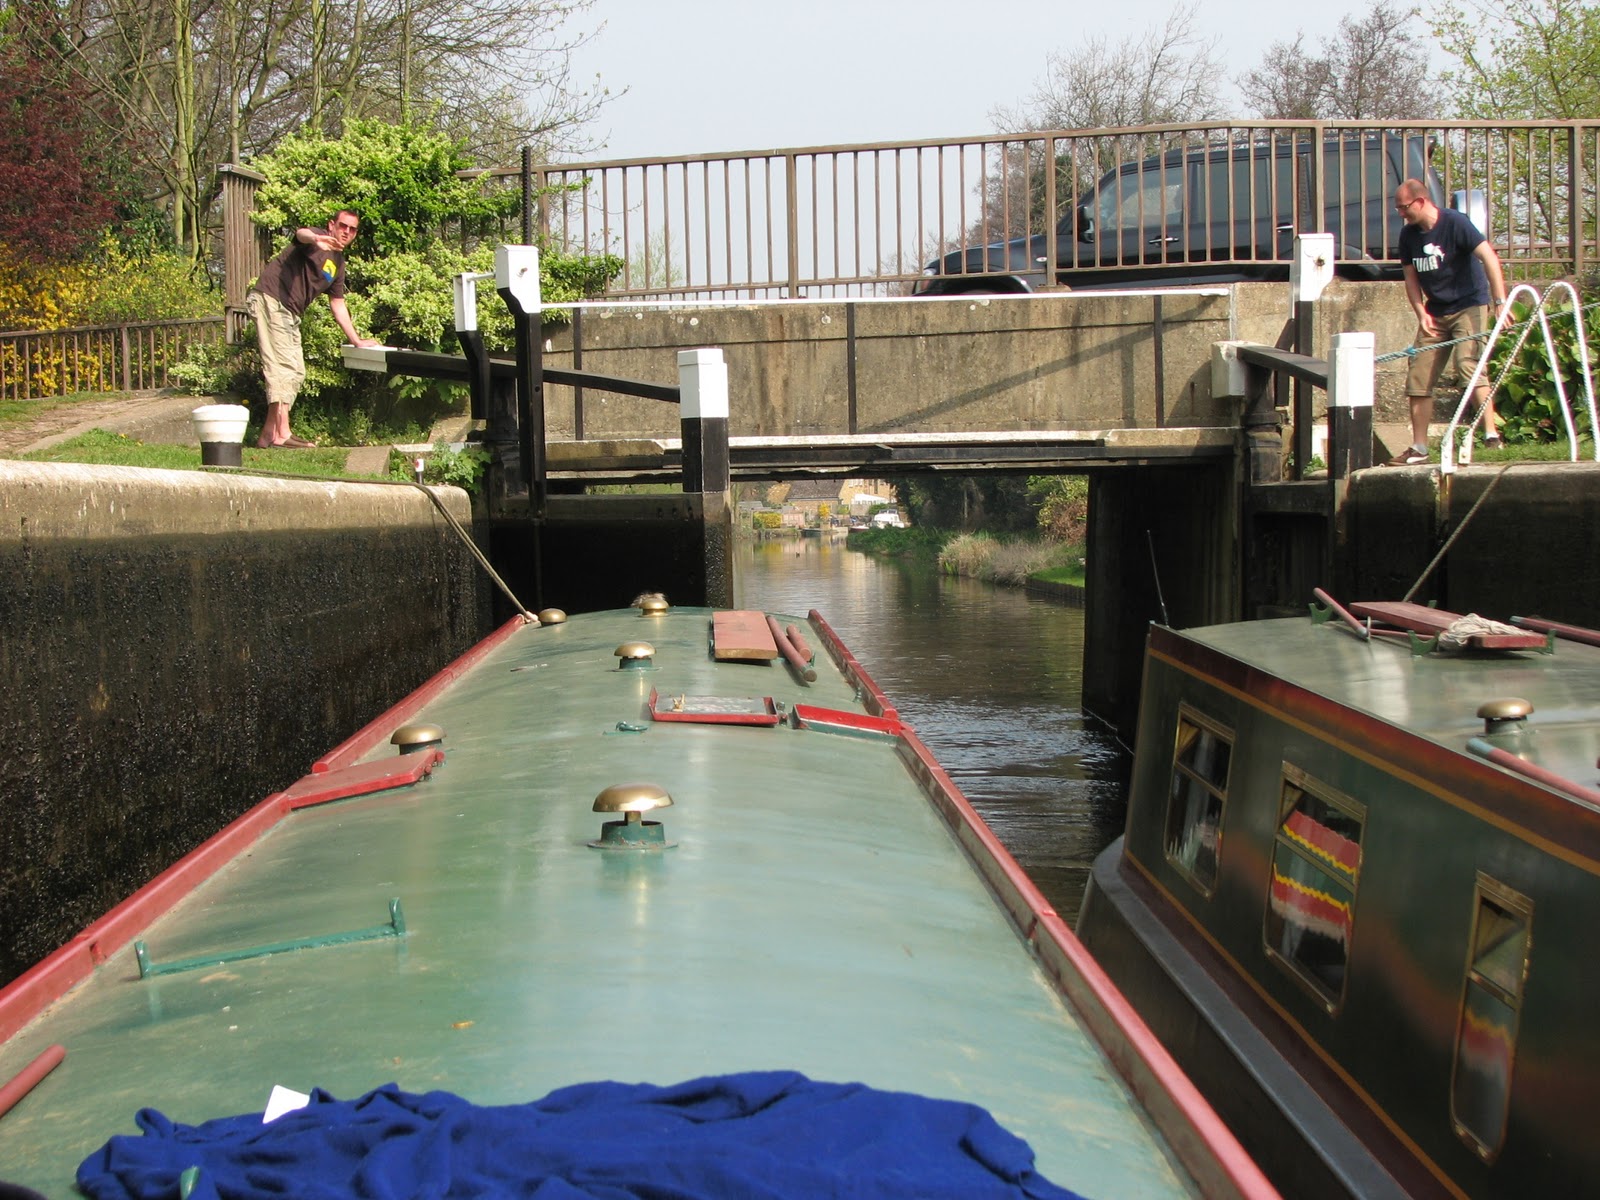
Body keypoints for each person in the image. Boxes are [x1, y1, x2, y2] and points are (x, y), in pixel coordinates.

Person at [1387, 178, 1509, 466]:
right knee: (1418, 375)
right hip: (1435, 312)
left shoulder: (1455, 223)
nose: (1401, 214)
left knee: (1469, 366)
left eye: (1403, 208)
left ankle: (1491, 436)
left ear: (1420, 201)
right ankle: (1419, 447)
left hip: (1470, 305)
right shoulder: (1409, 236)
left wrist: (1500, 300)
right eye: (1398, 209)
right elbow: (1411, 278)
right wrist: (1421, 314)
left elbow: (1488, 257)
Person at [246, 209, 380, 448]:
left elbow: (337, 305)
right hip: (272, 299)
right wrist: (316, 239)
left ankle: (268, 433)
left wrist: (357, 341)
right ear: (331, 225)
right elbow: (300, 234)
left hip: (290, 312)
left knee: (296, 371)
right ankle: (281, 434)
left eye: (352, 229)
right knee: (283, 367)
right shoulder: (317, 239)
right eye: (342, 226)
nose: (346, 232)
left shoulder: (338, 264)